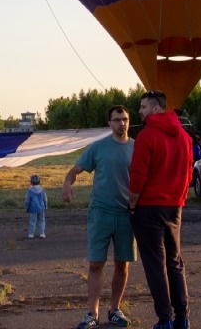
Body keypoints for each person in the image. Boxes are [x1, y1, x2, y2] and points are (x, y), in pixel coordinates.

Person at [62, 105, 136, 329]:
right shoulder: (99, 147)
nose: (121, 123)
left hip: (126, 214)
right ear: (109, 123)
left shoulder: (137, 147)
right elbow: (75, 170)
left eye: (125, 119)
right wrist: (67, 183)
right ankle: (92, 313)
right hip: (100, 213)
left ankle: (114, 310)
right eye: (116, 120)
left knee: (122, 264)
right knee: (96, 263)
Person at [129, 90, 193, 329]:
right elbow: (188, 174)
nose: (140, 112)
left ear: (156, 109)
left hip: (148, 207)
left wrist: (132, 205)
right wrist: (180, 199)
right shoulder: (185, 137)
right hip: (174, 206)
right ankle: (182, 317)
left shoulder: (146, 136)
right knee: (175, 262)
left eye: (143, 107)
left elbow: (138, 176)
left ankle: (164, 319)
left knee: (155, 264)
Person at [25, 174, 48, 239]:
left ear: (31, 182)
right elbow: (45, 199)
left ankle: (31, 234)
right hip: (41, 208)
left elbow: (27, 201)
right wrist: (46, 206)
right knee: (41, 220)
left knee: (32, 221)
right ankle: (42, 233)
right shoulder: (42, 190)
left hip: (32, 208)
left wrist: (27, 208)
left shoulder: (29, 191)